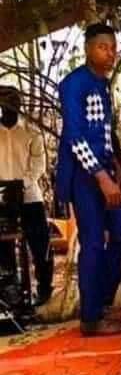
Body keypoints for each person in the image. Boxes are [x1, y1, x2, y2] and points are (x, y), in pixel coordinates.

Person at [56, 24, 121, 336]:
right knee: (92, 242)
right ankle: (91, 319)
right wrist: (102, 178)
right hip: (84, 176)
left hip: (105, 171)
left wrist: (118, 171)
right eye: (103, 47)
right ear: (88, 49)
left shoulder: (102, 84)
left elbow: (105, 134)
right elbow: (74, 137)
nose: (110, 53)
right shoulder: (73, 84)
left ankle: (99, 303)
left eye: (113, 48)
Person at [0, 86, 54, 305]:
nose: (8, 109)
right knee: (4, 245)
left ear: (18, 105)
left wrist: (21, 184)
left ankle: (44, 289)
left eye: (12, 104)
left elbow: (39, 164)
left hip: (30, 195)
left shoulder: (32, 132)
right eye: (4, 105)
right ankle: (10, 289)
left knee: (40, 243)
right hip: (2, 199)